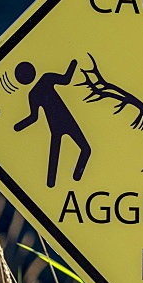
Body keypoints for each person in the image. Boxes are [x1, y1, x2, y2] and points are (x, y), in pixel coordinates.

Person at [13, 59, 91, 188]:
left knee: (55, 156)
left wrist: (18, 126)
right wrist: (74, 63)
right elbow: (66, 79)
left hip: (55, 126)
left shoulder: (33, 93)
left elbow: (33, 118)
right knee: (85, 149)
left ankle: (56, 183)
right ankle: (73, 177)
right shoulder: (46, 79)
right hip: (66, 120)